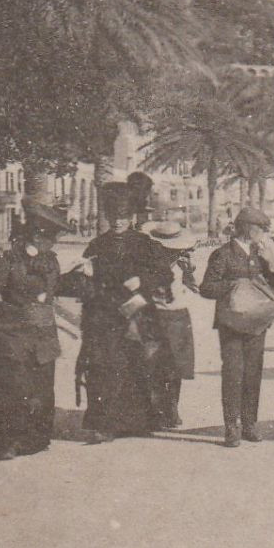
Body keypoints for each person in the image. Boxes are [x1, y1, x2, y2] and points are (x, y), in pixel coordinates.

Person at [0, 203, 80, 460]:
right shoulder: (7, 261)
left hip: (43, 334)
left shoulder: (51, 262)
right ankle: (6, 442)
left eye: (53, 239)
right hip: (14, 336)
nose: (52, 244)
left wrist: (78, 277)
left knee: (41, 388)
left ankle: (34, 439)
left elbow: (56, 288)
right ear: (34, 234)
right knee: (12, 389)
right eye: (48, 238)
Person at [77, 182, 178, 442]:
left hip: (139, 315)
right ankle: (106, 424)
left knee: (140, 366)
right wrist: (86, 275)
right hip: (105, 315)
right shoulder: (97, 244)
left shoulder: (145, 243)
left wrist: (141, 281)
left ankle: (139, 421)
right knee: (105, 367)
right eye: (113, 217)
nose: (118, 222)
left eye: (122, 217)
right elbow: (84, 281)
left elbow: (165, 273)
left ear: (132, 217)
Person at [198, 205, 274, 448]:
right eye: (260, 230)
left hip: (257, 323)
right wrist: (236, 287)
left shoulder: (260, 253)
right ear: (247, 229)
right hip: (231, 324)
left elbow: (271, 287)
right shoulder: (223, 254)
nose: (263, 234)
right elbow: (207, 287)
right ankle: (231, 426)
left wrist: (272, 265)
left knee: (253, 373)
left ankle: (249, 424)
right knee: (234, 374)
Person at [140, 220, 199, 429]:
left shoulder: (184, 261)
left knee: (176, 366)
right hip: (154, 315)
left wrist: (189, 272)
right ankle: (156, 410)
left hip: (178, 316)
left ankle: (172, 408)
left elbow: (195, 287)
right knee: (153, 364)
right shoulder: (148, 263)